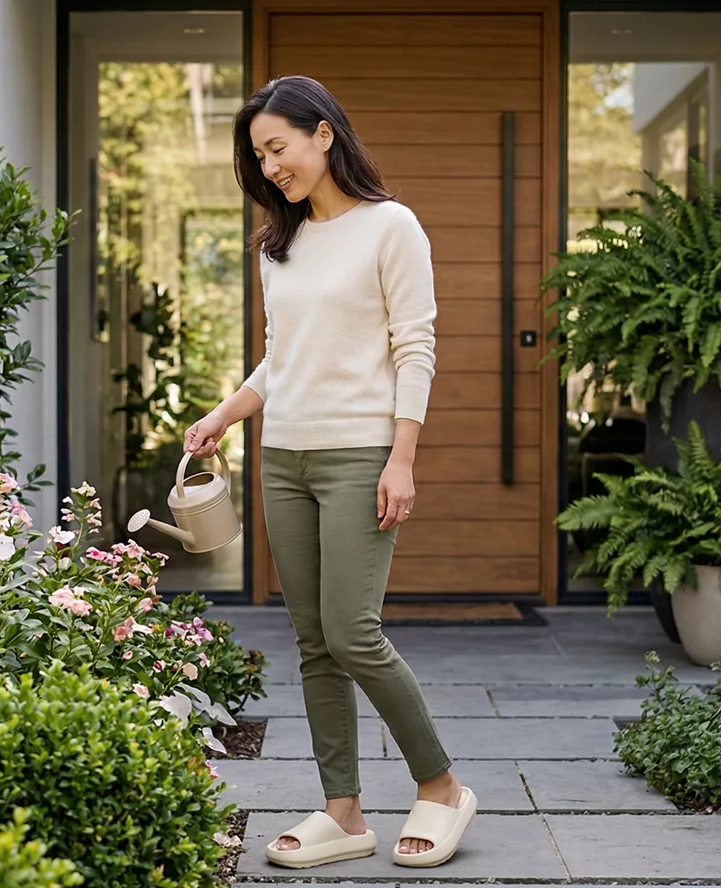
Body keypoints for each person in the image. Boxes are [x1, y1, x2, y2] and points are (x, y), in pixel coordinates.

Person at [182, 75, 477, 870]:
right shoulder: (279, 246)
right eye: (258, 156)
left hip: (360, 456)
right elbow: (281, 360)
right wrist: (224, 415)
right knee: (314, 642)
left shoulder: (391, 227)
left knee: (353, 632)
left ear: (323, 134)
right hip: (284, 458)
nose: (270, 166)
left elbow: (415, 347)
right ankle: (343, 811)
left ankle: (441, 785)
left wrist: (401, 458)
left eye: (277, 147)